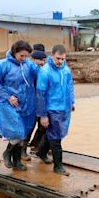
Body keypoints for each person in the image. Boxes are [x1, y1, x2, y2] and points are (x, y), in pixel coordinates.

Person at [0, 40, 38, 171]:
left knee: (23, 135)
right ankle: (7, 153)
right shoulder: (3, 65)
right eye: (21, 56)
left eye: (26, 56)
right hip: (10, 103)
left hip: (27, 103)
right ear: (14, 52)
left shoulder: (28, 64)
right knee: (17, 132)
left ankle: (17, 162)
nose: (23, 58)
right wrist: (8, 96)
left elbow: (41, 74)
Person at [36, 45, 74, 176]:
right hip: (51, 108)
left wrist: (71, 102)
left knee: (54, 133)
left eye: (63, 59)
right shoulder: (45, 71)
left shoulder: (66, 70)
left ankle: (41, 152)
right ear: (51, 56)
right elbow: (40, 94)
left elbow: (70, 87)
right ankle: (58, 166)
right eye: (58, 58)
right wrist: (43, 115)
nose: (60, 61)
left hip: (63, 107)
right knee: (56, 137)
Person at [29, 44, 48, 155]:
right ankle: (28, 147)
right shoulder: (30, 70)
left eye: (43, 60)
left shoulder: (43, 70)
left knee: (42, 127)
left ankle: (36, 146)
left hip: (41, 104)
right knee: (30, 127)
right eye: (39, 60)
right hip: (32, 104)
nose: (42, 62)